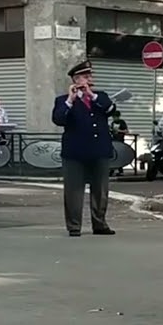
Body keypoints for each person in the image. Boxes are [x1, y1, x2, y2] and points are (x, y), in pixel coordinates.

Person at [51, 60, 117, 237]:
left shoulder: (100, 96)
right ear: (76, 79)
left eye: (90, 76)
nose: (90, 79)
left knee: (100, 190)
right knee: (73, 192)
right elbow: (58, 119)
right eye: (86, 77)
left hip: (99, 151)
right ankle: (74, 226)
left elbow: (111, 110)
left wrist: (91, 95)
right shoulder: (62, 100)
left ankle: (100, 223)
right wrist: (70, 100)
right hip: (75, 153)